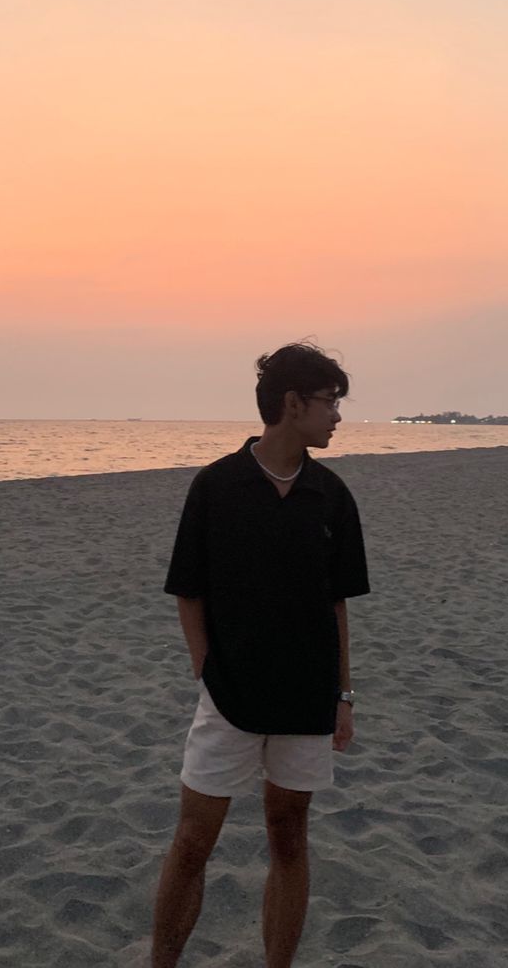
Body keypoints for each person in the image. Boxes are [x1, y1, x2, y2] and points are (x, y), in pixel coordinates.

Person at [151, 342, 370, 968]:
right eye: (330, 402)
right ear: (292, 403)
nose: (336, 417)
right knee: (193, 843)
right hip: (229, 698)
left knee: (289, 840)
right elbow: (188, 592)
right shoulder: (217, 487)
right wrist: (207, 669)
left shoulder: (331, 496)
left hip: (307, 700)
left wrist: (343, 695)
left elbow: (337, 607)